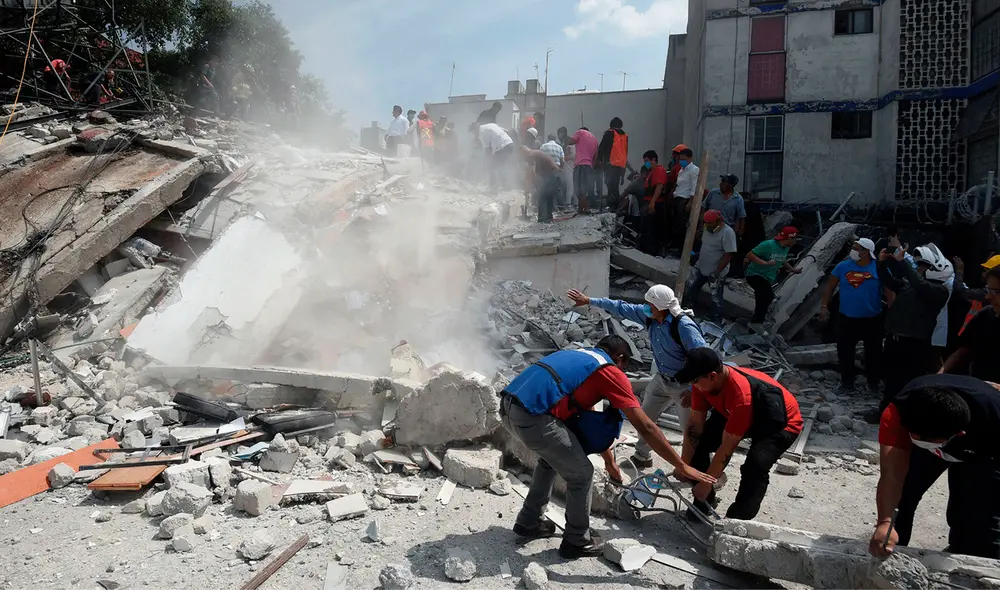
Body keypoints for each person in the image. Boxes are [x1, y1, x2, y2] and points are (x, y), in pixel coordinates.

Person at [501, 336, 715, 559]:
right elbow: (646, 426)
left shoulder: (580, 357)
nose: (623, 370)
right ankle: (576, 541)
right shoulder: (609, 371)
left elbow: (591, 420)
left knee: (551, 460)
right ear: (620, 358)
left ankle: (528, 522)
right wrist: (681, 465)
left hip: (509, 407)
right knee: (581, 474)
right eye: (625, 365)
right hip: (534, 417)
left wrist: (610, 462)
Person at [567, 285, 708, 469]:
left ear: (661, 307)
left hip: (685, 385)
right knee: (645, 417)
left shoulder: (684, 327)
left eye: (650, 304)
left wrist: (693, 389)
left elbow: (705, 358)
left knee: (691, 431)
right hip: (662, 379)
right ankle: (642, 457)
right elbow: (620, 307)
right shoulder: (650, 317)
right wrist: (589, 301)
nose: (646, 307)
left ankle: (699, 469)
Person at [870, 374, 1000, 559]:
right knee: (904, 495)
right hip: (931, 428)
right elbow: (892, 475)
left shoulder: (994, 419)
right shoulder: (899, 414)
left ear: (959, 434)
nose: (923, 442)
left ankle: (973, 556)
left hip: (985, 443)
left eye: (930, 441)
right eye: (918, 437)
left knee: (980, 512)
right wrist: (884, 522)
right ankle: (892, 549)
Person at [677, 348, 803, 520]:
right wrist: (684, 465)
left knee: (755, 466)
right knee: (700, 444)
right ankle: (704, 501)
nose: (694, 385)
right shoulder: (702, 383)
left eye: (695, 380)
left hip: (779, 422)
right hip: (738, 412)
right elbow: (694, 428)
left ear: (713, 376)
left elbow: (727, 447)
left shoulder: (740, 397)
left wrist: (706, 482)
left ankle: (738, 520)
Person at [865, 245, 951, 423]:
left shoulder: (939, 291)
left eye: (923, 266)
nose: (920, 269)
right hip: (895, 341)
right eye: (919, 266)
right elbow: (890, 282)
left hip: (914, 345)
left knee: (909, 382)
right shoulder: (910, 286)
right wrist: (883, 264)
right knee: (891, 380)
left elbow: (920, 285)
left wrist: (903, 263)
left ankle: (905, 417)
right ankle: (886, 412)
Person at [820, 238, 883, 394]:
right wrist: (824, 307)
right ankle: (847, 383)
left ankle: (873, 384)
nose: (853, 251)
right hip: (847, 318)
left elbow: (889, 292)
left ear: (866, 251)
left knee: (873, 353)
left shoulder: (878, 268)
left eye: (856, 248)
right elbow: (830, 287)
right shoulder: (843, 267)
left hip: (872, 319)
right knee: (845, 351)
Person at [940, 267, 1000, 383]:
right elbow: (965, 349)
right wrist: (942, 373)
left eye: (996, 292)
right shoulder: (985, 315)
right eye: (988, 290)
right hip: (979, 391)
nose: (988, 297)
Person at [683, 210, 737, 319]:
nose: (707, 225)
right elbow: (702, 240)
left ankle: (715, 317)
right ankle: (686, 308)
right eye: (706, 223)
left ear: (719, 221)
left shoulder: (728, 233)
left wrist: (717, 272)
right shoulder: (707, 228)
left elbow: (728, 255)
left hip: (716, 270)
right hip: (701, 265)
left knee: (715, 296)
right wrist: (691, 229)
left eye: (710, 223)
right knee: (690, 287)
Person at [744, 226, 803, 325]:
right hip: (755, 274)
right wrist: (764, 263)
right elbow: (750, 255)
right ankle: (756, 323)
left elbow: (782, 259)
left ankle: (755, 320)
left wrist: (792, 269)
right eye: (795, 239)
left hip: (768, 277)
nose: (796, 242)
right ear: (789, 238)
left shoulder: (786, 248)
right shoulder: (768, 244)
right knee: (765, 295)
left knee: (768, 297)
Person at [952, 254, 1000, 336]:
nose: (983, 274)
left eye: (987, 270)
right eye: (984, 270)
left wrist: (959, 271)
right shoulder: (985, 313)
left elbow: (962, 291)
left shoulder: (983, 293)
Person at [639, 150, 669, 257]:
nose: (646, 164)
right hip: (650, 202)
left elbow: (659, 187)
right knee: (648, 228)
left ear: (654, 160)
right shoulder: (651, 172)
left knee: (655, 229)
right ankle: (648, 249)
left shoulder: (659, 170)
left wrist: (652, 203)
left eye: (647, 161)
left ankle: (655, 251)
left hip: (656, 203)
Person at [520, 146, 561, 223]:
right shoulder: (535, 152)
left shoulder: (530, 155)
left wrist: (528, 187)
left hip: (551, 174)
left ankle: (542, 219)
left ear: (523, 152)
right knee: (549, 197)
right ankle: (548, 217)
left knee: (542, 196)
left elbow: (531, 172)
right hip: (554, 174)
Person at [670, 148, 700, 251]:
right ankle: (677, 247)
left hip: (685, 200)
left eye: (683, 159)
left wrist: (690, 202)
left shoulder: (694, 169)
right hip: (677, 198)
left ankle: (684, 249)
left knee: (683, 226)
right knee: (677, 225)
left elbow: (694, 187)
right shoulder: (681, 170)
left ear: (690, 158)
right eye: (680, 159)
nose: (681, 161)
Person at [597, 118, 629, 211]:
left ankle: (612, 205)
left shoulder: (609, 132)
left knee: (610, 184)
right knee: (614, 185)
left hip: (610, 163)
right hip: (620, 165)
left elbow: (602, 147)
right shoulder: (624, 136)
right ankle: (615, 204)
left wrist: (600, 160)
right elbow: (625, 152)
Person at [472, 122, 514, 192]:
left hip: (501, 147)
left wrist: (485, 163)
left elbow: (488, 150)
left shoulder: (482, 133)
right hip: (510, 143)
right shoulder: (490, 125)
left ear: (475, 129)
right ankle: (506, 185)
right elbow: (506, 131)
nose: (474, 135)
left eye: (473, 133)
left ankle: (494, 186)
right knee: (501, 166)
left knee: (491, 167)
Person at [567, 127, 599, 213]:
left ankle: (586, 208)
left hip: (580, 165)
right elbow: (596, 157)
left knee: (578, 188)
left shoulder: (580, 132)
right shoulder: (595, 139)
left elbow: (570, 142)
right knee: (585, 188)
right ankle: (581, 209)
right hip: (589, 166)